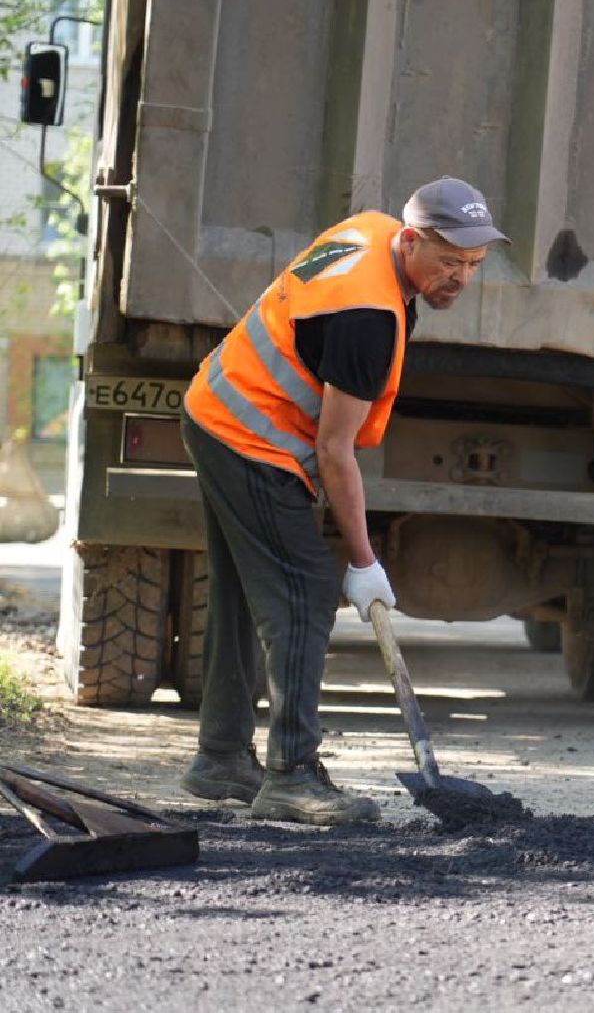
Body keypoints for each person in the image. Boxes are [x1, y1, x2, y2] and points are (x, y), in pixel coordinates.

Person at [177, 177, 508, 825]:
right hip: (248, 436)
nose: (461, 278)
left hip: (218, 411)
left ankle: (220, 759)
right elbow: (335, 450)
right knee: (304, 592)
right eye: (449, 261)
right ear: (410, 241)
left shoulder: (374, 234)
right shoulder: (367, 318)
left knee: (244, 594)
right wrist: (363, 561)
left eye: (473, 264)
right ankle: (291, 777)